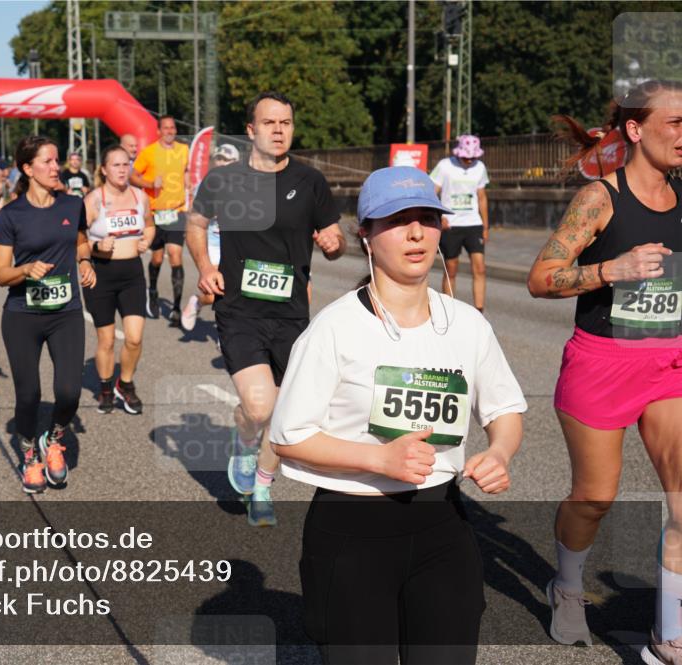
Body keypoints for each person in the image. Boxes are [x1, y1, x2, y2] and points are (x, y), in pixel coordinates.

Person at [270, 164, 526, 665]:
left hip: (442, 528)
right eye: (396, 219)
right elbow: (288, 436)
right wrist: (379, 460)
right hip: (353, 533)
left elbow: (505, 409)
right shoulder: (334, 328)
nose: (416, 233)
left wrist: (500, 451)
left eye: (427, 218)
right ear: (365, 232)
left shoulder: (468, 325)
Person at [527, 79, 682, 661]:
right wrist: (610, 269)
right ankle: (567, 586)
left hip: (669, 362)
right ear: (637, 130)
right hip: (602, 363)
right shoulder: (600, 198)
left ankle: (669, 634)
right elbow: (542, 278)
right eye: (675, 123)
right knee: (595, 496)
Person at [188, 92, 347, 526]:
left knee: (285, 410)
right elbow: (196, 223)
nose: (279, 130)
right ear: (251, 131)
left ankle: (262, 484)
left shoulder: (311, 181)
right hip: (238, 310)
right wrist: (205, 266)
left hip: (292, 314)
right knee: (260, 408)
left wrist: (335, 243)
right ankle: (244, 438)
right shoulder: (224, 181)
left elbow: (334, 237)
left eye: (286, 123)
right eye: (270, 123)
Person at [0, 136, 96, 494]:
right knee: (28, 394)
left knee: (69, 391)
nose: (57, 167)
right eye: (48, 162)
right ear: (27, 169)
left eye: (57, 161)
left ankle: (53, 439)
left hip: (66, 311)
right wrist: (26, 269)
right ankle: (28, 453)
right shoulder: (10, 214)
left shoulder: (72, 204)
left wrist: (85, 260)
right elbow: (1, 274)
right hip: (23, 314)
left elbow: (81, 240)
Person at [83, 145, 155, 414]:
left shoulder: (140, 196)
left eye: (126, 164)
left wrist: (146, 239)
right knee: (107, 340)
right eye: (116, 165)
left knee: (134, 338)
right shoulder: (94, 200)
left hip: (132, 274)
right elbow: (78, 237)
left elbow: (149, 223)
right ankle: (104, 388)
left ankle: (124, 383)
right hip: (101, 275)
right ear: (103, 169)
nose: (122, 170)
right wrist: (95, 247)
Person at [130, 115, 189, 325]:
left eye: (173, 127)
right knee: (156, 259)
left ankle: (176, 309)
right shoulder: (149, 152)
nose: (170, 131)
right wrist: (148, 181)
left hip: (177, 212)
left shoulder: (184, 150)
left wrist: (189, 185)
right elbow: (132, 176)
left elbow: (187, 172)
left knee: (175, 255)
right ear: (159, 131)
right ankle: (152, 291)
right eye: (166, 128)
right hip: (155, 214)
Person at [181, 143, 240, 331]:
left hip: (235, 246)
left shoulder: (245, 187)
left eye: (229, 160)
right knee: (216, 293)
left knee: (239, 292)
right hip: (212, 244)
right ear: (214, 162)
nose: (224, 163)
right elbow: (193, 217)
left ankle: (228, 333)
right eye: (221, 159)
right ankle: (197, 302)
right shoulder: (205, 185)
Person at [430, 135, 490, 312]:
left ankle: (479, 310)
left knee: (479, 267)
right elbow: (432, 192)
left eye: (473, 157)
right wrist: (439, 216)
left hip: (473, 223)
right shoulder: (444, 166)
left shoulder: (480, 168)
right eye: (466, 157)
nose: (469, 160)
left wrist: (486, 226)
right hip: (451, 225)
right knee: (451, 269)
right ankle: (449, 308)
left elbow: (482, 197)